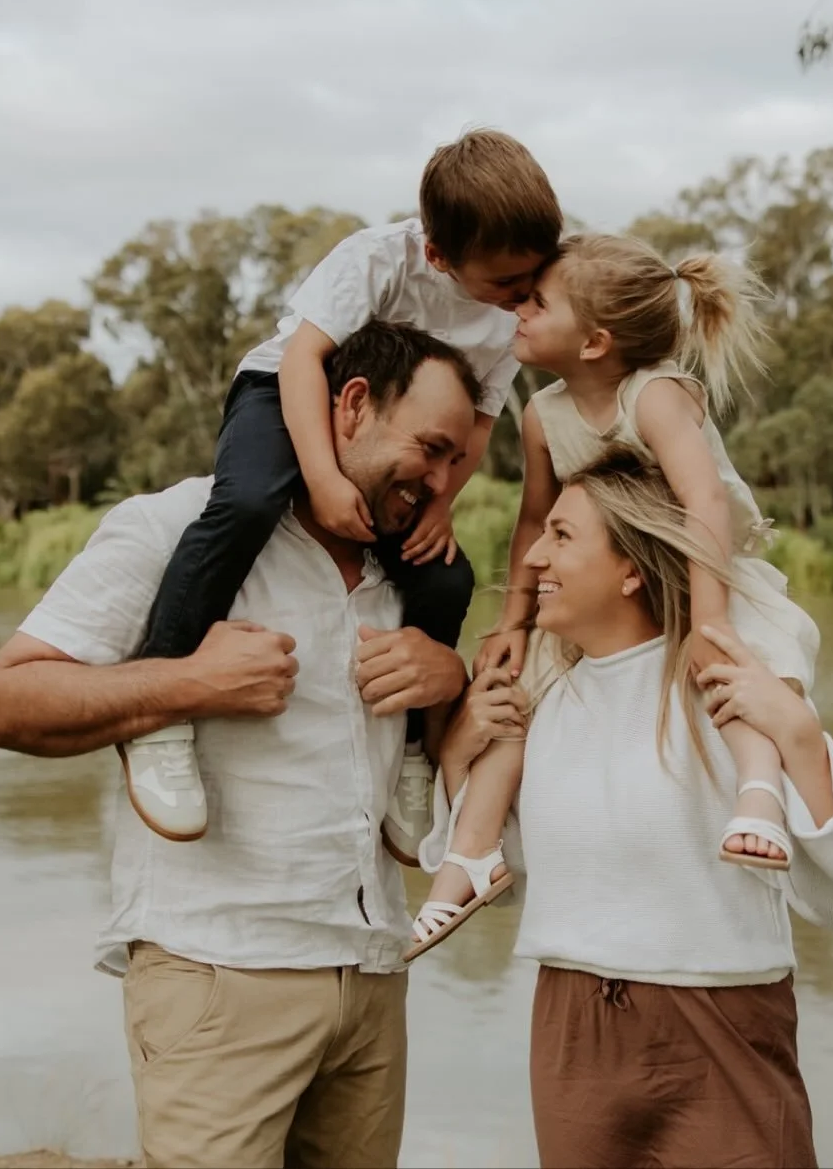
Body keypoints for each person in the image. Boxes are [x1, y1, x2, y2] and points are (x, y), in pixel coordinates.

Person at [0, 321, 481, 1169]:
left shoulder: (416, 568)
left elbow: (448, 772)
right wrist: (187, 683)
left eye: (457, 461)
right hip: (219, 978)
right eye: (429, 450)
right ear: (352, 406)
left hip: (373, 975)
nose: (441, 482)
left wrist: (449, 680)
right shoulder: (178, 527)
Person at [429, 450, 833, 1168]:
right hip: (572, 1035)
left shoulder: (729, 684)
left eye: (562, 536)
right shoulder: (546, 704)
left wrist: (798, 734)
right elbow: (506, 876)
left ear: (631, 570)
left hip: (718, 1031)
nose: (534, 558)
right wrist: (459, 755)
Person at [119, 127, 562, 850]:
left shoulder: (508, 315)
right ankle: (159, 707)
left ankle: (413, 748)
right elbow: (304, 361)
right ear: (438, 255)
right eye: (508, 284)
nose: (523, 298)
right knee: (250, 502)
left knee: (445, 575)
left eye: (533, 280)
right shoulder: (377, 259)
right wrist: (322, 477)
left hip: (398, 436)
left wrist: (441, 503)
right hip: (288, 390)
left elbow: (479, 424)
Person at [408, 231, 822, 953]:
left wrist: (710, 618)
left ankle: (759, 793)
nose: (519, 309)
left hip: (703, 566)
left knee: (744, 666)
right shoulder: (542, 416)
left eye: (538, 301)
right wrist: (513, 622)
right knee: (518, 693)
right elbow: (534, 520)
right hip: (615, 580)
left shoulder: (654, 396)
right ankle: (469, 856)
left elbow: (703, 501)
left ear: (595, 342)